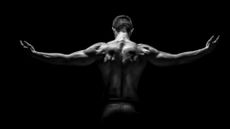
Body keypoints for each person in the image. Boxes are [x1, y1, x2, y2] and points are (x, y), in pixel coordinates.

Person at [20, 15, 219, 123]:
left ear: (113, 30)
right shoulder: (142, 50)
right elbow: (176, 60)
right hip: (134, 110)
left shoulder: (102, 48)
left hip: (108, 110)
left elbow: (66, 60)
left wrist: (35, 54)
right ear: (132, 30)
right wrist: (205, 50)